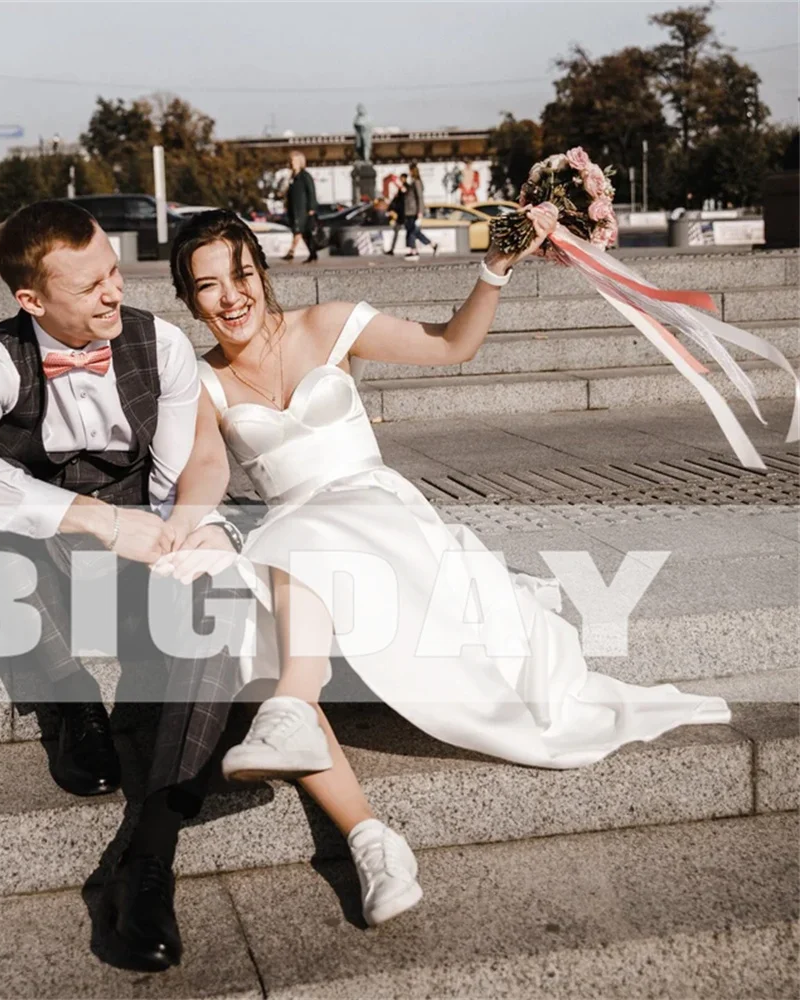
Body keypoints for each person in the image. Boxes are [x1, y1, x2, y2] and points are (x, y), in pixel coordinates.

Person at [162, 208, 731, 927]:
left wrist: (494, 268)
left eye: (241, 273)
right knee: (259, 601)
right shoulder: (205, 384)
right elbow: (206, 473)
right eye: (207, 286)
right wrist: (188, 523)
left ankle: (291, 710)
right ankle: (370, 836)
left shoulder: (329, 323)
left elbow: (453, 345)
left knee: (292, 543)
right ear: (188, 299)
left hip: (377, 513)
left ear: (261, 269)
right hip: (298, 538)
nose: (231, 296)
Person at [0, 200, 242, 971]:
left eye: (114, 272)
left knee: (219, 612)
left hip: (141, 556)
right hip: (55, 564)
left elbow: (170, 483)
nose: (115, 293)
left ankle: (148, 861)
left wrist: (173, 547)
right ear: (31, 300)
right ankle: (69, 701)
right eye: (91, 284)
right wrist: (88, 518)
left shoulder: (158, 343)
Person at [284, 150, 319, 263]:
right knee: (304, 233)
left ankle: (291, 252)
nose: (291, 163)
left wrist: (312, 207)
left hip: (303, 210)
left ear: (299, 162)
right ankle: (313, 254)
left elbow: (311, 192)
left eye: (293, 161)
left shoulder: (305, 176)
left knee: (298, 231)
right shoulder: (293, 177)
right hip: (294, 209)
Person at [403, 161, 436, 261]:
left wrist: (420, 212)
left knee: (413, 232)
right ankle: (432, 245)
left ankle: (414, 251)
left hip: (413, 211)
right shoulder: (412, 182)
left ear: (413, 171)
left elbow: (420, 198)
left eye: (410, 170)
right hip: (409, 211)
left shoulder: (417, 182)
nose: (408, 172)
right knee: (413, 232)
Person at [385, 173, 408, 255]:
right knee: (397, 231)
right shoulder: (401, 189)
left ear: (405, 178)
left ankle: (414, 249)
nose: (400, 180)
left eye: (401, 178)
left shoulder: (405, 188)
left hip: (405, 214)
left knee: (413, 232)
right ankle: (392, 249)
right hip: (401, 214)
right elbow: (396, 201)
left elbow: (400, 202)